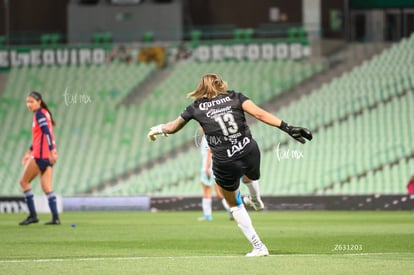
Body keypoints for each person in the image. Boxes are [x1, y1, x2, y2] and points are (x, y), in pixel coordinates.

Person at [147, 73, 312, 256]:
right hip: (249, 150)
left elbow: (172, 127)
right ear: (221, 84)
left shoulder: (195, 108)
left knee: (234, 204)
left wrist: (157, 130)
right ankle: (256, 200)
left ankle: (259, 247)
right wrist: (288, 128)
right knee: (250, 177)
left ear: (200, 88)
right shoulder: (235, 96)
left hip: (225, 161)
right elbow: (259, 114)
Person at [19, 91, 60, 225]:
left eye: (31, 101)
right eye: (27, 102)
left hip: (40, 156)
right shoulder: (45, 113)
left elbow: (46, 132)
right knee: (47, 187)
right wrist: (29, 151)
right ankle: (56, 218)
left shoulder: (39, 114)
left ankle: (33, 215)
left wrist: (52, 150)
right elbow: (40, 137)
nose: (29, 104)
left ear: (39, 101)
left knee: (24, 182)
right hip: (46, 156)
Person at [198, 133, 232, 221]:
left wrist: (206, 167)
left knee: (207, 190)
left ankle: (207, 215)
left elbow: (209, 151)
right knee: (220, 193)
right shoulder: (215, 135)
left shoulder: (207, 136)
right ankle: (232, 210)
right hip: (216, 166)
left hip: (208, 167)